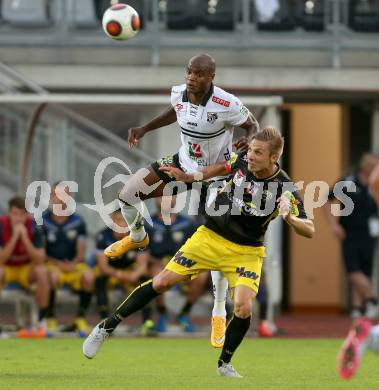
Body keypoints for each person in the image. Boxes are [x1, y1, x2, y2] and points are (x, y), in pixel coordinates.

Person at [83, 127, 315, 377]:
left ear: (274, 158)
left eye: (258, 153)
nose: (251, 156)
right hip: (209, 238)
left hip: (246, 251)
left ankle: (224, 363)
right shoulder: (239, 161)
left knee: (244, 307)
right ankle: (106, 327)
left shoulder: (284, 188)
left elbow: (310, 229)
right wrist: (187, 177)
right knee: (161, 282)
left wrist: (291, 219)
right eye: (251, 150)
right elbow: (213, 170)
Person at [103, 53, 258, 344]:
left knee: (218, 240)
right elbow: (175, 112)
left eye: (199, 73)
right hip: (181, 165)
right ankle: (138, 237)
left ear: (211, 76)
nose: (192, 77)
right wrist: (145, 128)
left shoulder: (225, 102)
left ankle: (218, 311)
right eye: (189, 71)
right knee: (127, 194)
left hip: (216, 175)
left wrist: (248, 139)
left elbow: (253, 124)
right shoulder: (179, 93)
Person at [323, 153, 379, 318]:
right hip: (350, 233)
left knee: (365, 271)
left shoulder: (374, 186)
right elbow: (326, 199)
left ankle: (358, 308)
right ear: (367, 166)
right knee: (353, 270)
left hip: (370, 234)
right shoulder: (348, 182)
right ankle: (372, 300)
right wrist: (333, 225)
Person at [145, 196, 208, 333]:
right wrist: (157, 261)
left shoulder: (187, 223)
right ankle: (162, 314)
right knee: (156, 273)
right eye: (160, 196)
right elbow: (142, 255)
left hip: (183, 267)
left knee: (202, 276)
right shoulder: (148, 224)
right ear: (155, 200)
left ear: (175, 199)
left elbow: (197, 251)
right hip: (159, 266)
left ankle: (184, 313)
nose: (165, 200)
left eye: (169, 196)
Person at [42, 183, 95, 336]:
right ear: (52, 197)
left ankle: (80, 319)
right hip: (52, 265)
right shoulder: (42, 221)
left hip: (73, 265)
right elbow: (41, 252)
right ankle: (50, 318)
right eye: (57, 195)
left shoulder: (78, 221)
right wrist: (58, 264)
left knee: (89, 277)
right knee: (50, 276)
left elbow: (81, 251)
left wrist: (73, 263)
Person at [95, 209, 155, 336]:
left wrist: (134, 275)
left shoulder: (139, 236)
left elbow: (143, 266)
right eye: (117, 220)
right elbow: (103, 266)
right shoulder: (103, 236)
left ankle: (147, 323)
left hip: (131, 272)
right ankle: (104, 322)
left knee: (147, 281)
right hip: (112, 273)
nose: (121, 224)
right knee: (98, 279)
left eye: (124, 220)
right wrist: (120, 275)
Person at [0, 196, 49, 334]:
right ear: (9, 213)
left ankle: (41, 320)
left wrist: (25, 239)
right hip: (7, 268)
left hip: (26, 269)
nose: (18, 219)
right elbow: (1, 260)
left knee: (42, 272)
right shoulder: (1, 226)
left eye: (22, 215)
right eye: (15, 214)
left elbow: (40, 259)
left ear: (26, 215)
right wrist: (15, 237)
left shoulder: (35, 226)